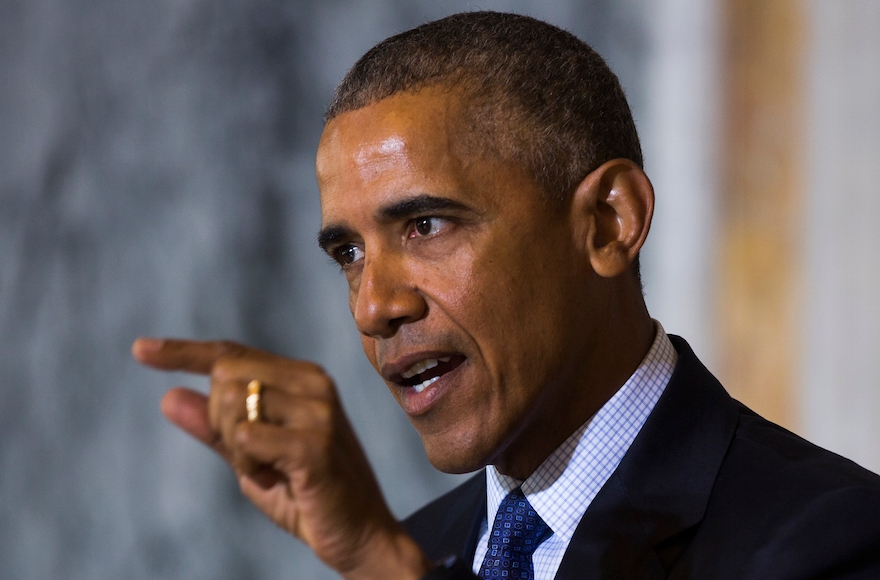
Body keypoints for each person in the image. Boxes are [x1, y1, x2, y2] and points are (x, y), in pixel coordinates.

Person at [132, 11, 880, 580]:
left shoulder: (830, 541)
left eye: (425, 225)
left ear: (609, 223)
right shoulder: (419, 548)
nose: (372, 306)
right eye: (350, 255)